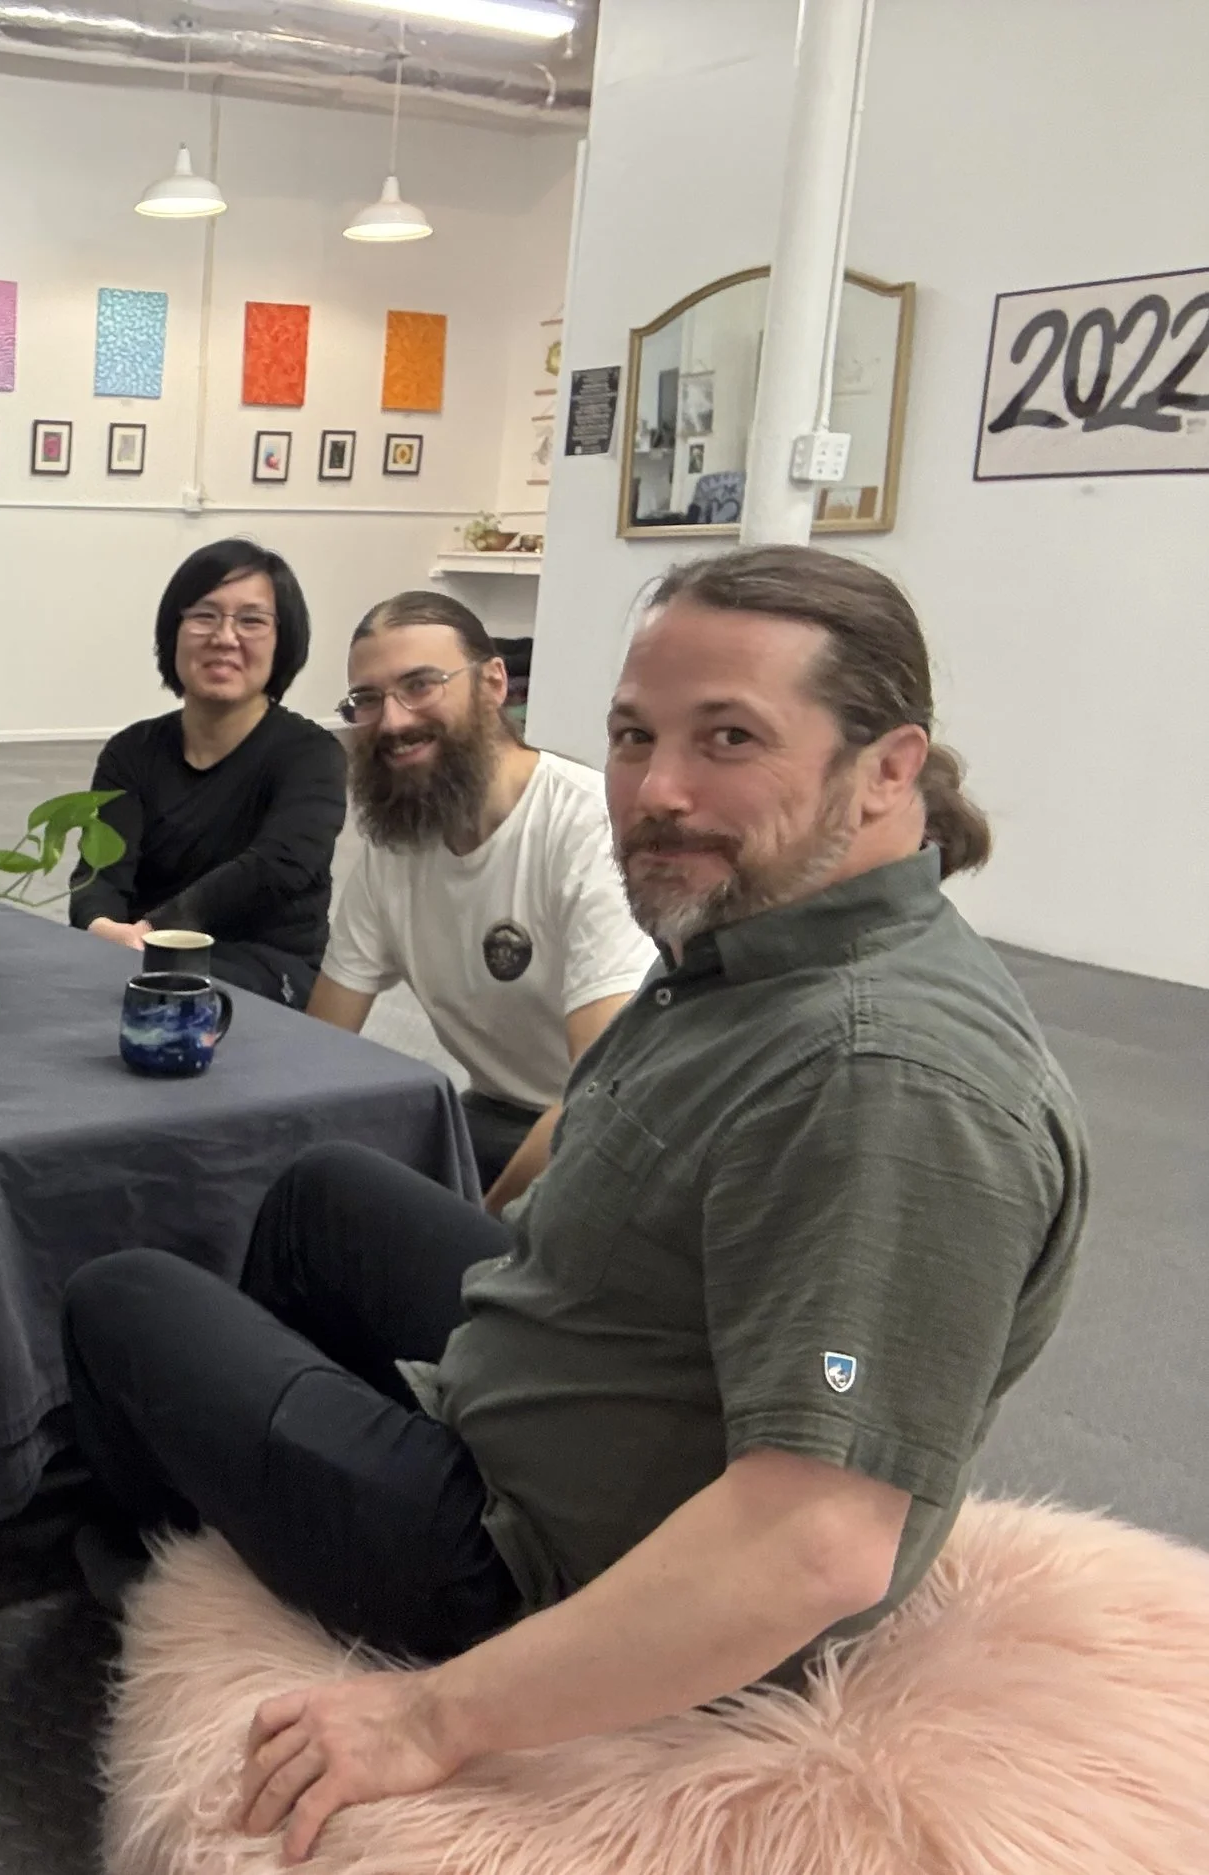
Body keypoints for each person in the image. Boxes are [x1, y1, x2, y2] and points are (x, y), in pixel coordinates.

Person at [64, 545, 1087, 1863]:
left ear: (889, 766)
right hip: (588, 1386)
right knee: (327, 1195)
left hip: (543, 1559)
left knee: (121, 1300)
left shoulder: (884, 1082)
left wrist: (433, 1716)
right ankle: (281, 1480)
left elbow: (815, 1542)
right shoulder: (758, 942)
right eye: (632, 733)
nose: (658, 790)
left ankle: (153, 1554)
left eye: (729, 737)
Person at [307, 591, 654, 1204]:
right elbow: (319, 1047)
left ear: (494, 682)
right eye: (368, 699)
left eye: (421, 684)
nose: (393, 721)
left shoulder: (588, 831)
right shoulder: (397, 842)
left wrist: (479, 1231)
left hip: (615, 1142)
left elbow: (600, 1094)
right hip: (490, 1115)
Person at [71, 539, 346, 1006]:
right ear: (173, 632)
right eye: (204, 615)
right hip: (144, 956)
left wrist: (155, 930)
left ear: (284, 640)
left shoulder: (311, 755)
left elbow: (275, 867)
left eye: (252, 621)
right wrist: (104, 929)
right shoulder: (130, 752)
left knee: (172, 1004)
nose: (225, 637)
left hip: (264, 964)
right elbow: (99, 874)